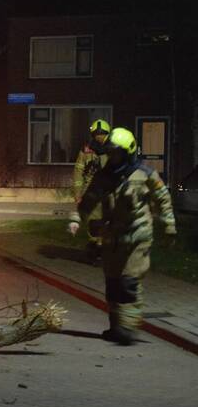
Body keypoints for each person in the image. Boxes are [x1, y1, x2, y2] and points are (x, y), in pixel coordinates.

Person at [68, 127, 176, 345]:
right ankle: (116, 327)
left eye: (117, 153)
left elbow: (163, 199)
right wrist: (75, 219)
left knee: (128, 283)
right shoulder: (105, 176)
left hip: (137, 236)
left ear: (128, 152)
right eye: (111, 153)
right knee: (113, 283)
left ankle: (128, 328)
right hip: (112, 238)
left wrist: (169, 227)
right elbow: (89, 200)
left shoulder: (145, 174)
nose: (113, 158)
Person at [72, 119, 111, 261]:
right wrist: (77, 194)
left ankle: (99, 248)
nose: (100, 136)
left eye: (102, 134)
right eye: (98, 134)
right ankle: (97, 248)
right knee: (95, 223)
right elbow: (78, 172)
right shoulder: (87, 150)